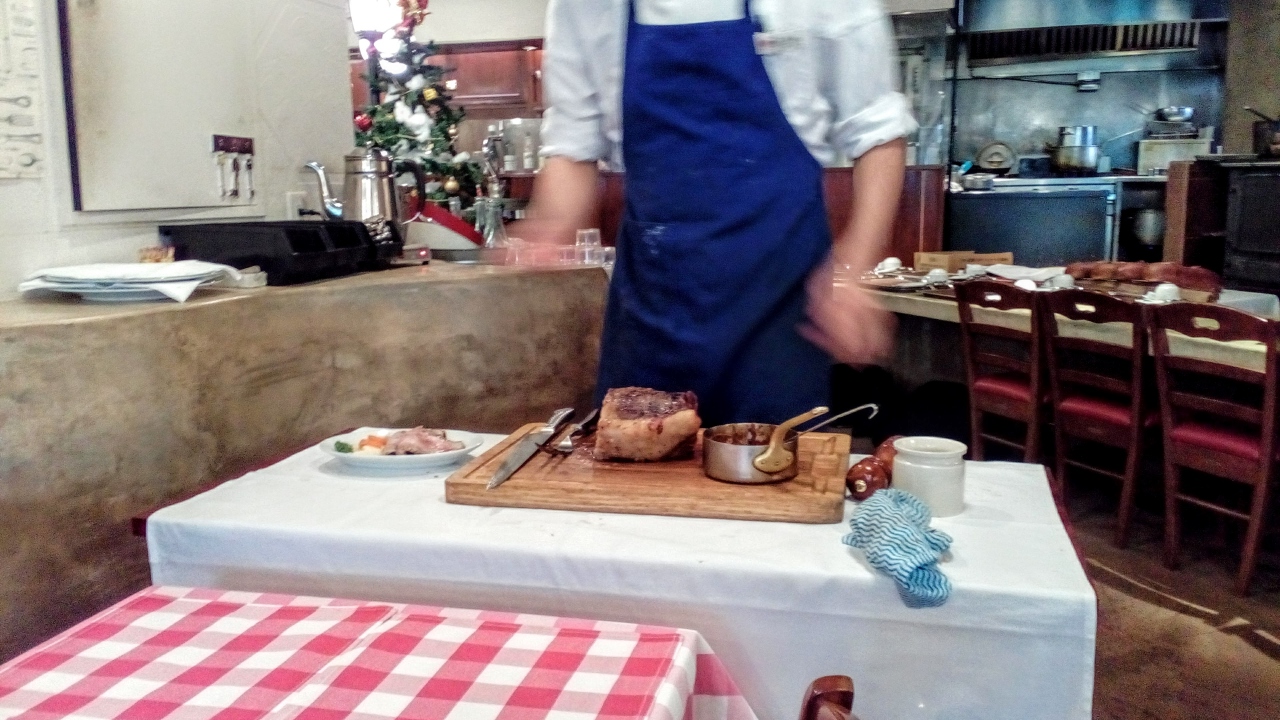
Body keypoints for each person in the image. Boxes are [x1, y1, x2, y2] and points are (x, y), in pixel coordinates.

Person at [510, 0, 917, 426]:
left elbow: (878, 131)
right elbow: (573, 144)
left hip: (777, 304)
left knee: (774, 460)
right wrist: (551, 224)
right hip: (653, 305)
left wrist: (854, 269)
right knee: (633, 455)